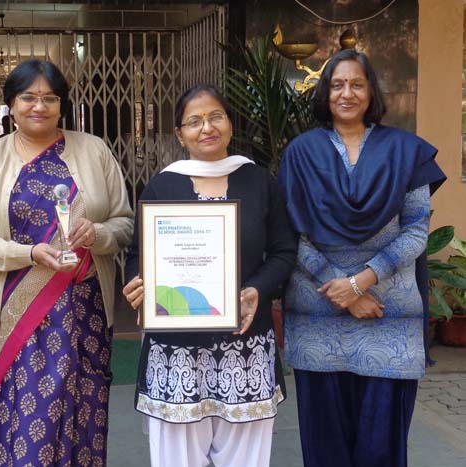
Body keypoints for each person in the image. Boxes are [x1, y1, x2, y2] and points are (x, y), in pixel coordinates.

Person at [0, 59, 134, 467]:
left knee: (83, 415)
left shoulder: (93, 150)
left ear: (62, 104)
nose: (40, 106)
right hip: (13, 316)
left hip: (85, 313)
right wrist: (28, 253)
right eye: (28, 97)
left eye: (50, 98)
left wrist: (99, 234)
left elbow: (124, 223)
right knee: (23, 425)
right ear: (10, 106)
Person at [278, 49, 446, 467]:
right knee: (326, 447)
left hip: (387, 313)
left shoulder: (406, 151)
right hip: (319, 312)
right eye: (337, 85)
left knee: (381, 450)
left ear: (371, 91)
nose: (346, 93)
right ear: (325, 92)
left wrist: (361, 282)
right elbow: (290, 233)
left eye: (356, 84)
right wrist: (342, 288)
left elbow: (416, 231)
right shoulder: (301, 153)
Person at [122, 84, 297, 467]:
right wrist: (138, 283)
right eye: (194, 121)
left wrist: (257, 289)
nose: (207, 128)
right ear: (180, 134)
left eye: (216, 116)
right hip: (177, 348)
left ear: (230, 124)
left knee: (245, 458)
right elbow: (138, 255)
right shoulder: (163, 184)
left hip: (245, 347)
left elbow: (284, 252)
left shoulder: (259, 181)